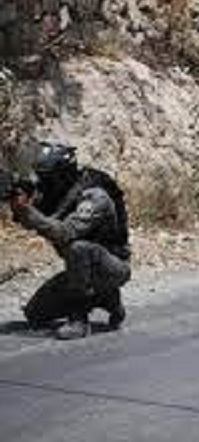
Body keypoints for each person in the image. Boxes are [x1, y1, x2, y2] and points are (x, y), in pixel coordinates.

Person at [9, 141, 131, 340]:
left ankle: (79, 319)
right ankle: (107, 298)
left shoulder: (94, 196)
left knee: (78, 248)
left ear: (63, 174)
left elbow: (65, 233)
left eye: (48, 176)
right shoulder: (58, 194)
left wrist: (27, 210)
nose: (42, 182)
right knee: (34, 314)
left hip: (113, 268)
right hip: (79, 272)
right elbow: (31, 220)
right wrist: (17, 201)